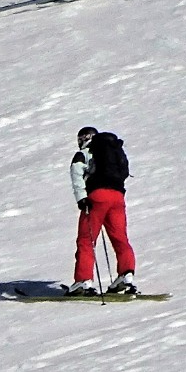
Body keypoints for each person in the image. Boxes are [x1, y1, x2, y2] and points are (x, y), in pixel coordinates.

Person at [67, 126, 137, 296]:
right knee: (120, 237)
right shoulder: (112, 151)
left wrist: (82, 198)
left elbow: (77, 174)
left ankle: (83, 280)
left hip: (97, 197)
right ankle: (126, 276)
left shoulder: (84, 154)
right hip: (117, 196)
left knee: (86, 239)